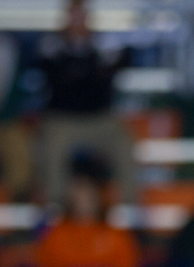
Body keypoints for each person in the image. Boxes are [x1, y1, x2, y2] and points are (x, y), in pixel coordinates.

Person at [37, 0, 133, 206]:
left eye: (82, 17)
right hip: (63, 119)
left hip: (99, 119)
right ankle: (55, 210)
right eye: (74, 17)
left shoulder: (104, 45)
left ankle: (129, 210)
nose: (78, 22)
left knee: (124, 143)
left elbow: (110, 77)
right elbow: (57, 81)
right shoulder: (51, 46)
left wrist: (79, 72)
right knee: (52, 146)